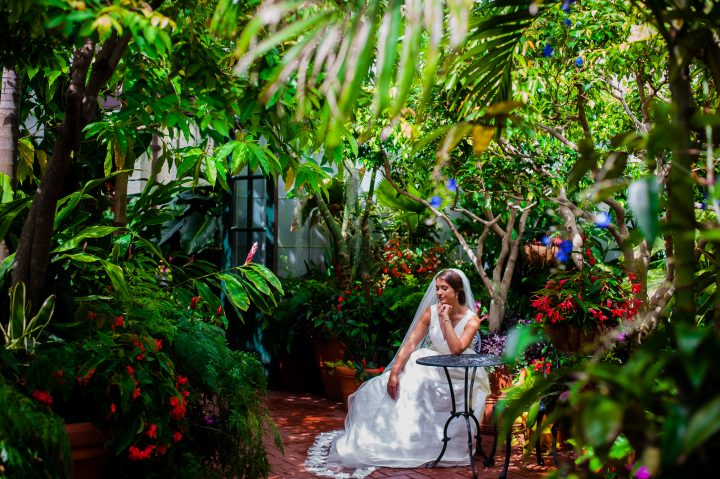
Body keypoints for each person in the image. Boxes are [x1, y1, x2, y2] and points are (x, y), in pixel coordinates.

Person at [306, 268, 491, 477]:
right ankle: (404, 439)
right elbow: (411, 343)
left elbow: (456, 349)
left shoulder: (471, 319)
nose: (438, 293)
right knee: (390, 383)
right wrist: (394, 372)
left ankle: (443, 446)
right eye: (437, 288)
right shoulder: (431, 312)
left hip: (459, 371)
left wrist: (445, 318)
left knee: (420, 383)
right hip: (433, 364)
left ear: (457, 291)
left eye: (444, 288)